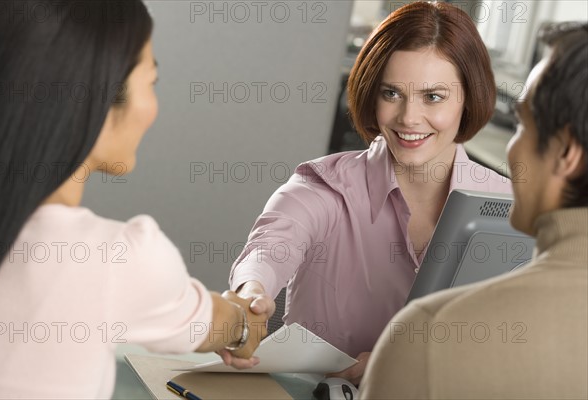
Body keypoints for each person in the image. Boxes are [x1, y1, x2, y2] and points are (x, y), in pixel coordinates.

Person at [0, 1, 269, 398]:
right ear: (98, 100)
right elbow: (228, 325)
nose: (154, 105)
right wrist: (247, 318)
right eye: (151, 81)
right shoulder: (115, 258)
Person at [225, 1, 511, 384]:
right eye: (392, 94)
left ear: (467, 99)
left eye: (433, 97)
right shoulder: (322, 187)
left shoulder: (510, 208)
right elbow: (270, 246)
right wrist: (250, 295)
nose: (409, 118)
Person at [359, 21, 588, 399]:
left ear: (566, 153)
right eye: (393, 93)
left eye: (521, 125)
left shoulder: (430, 336)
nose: (409, 117)